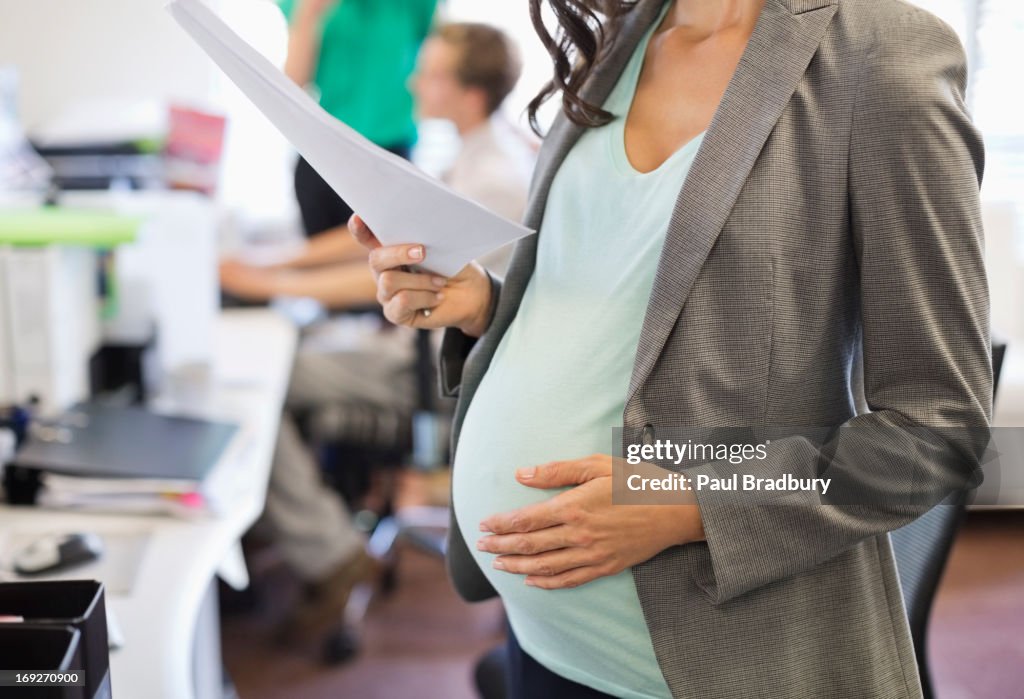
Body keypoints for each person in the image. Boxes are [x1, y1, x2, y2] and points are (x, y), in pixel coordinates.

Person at [352, 0, 991, 697]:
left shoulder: (881, 53)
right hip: (541, 637)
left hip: (708, 663)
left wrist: (684, 499)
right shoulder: (623, 37)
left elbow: (936, 432)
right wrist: (484, 302)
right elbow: (624, 303)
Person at [221, 22, 533, 643]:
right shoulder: (475, 151)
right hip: (409, 349)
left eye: (432, 70)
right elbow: (383, 234)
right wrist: (280, 261)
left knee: (257, 384)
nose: (413, 79)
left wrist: (265, 283)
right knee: (286, 352)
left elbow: (392, 277)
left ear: (467, 93)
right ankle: (319, 541)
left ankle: (329, 554)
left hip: (430, 364)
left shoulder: (493, 173)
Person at [279, 0, 439, 237]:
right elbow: (294, 82)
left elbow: (440, 62)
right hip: (324, 152)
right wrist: (309, 13)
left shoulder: (412, 6)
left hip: (391, 153)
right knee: (319, 262)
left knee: (390, 257)